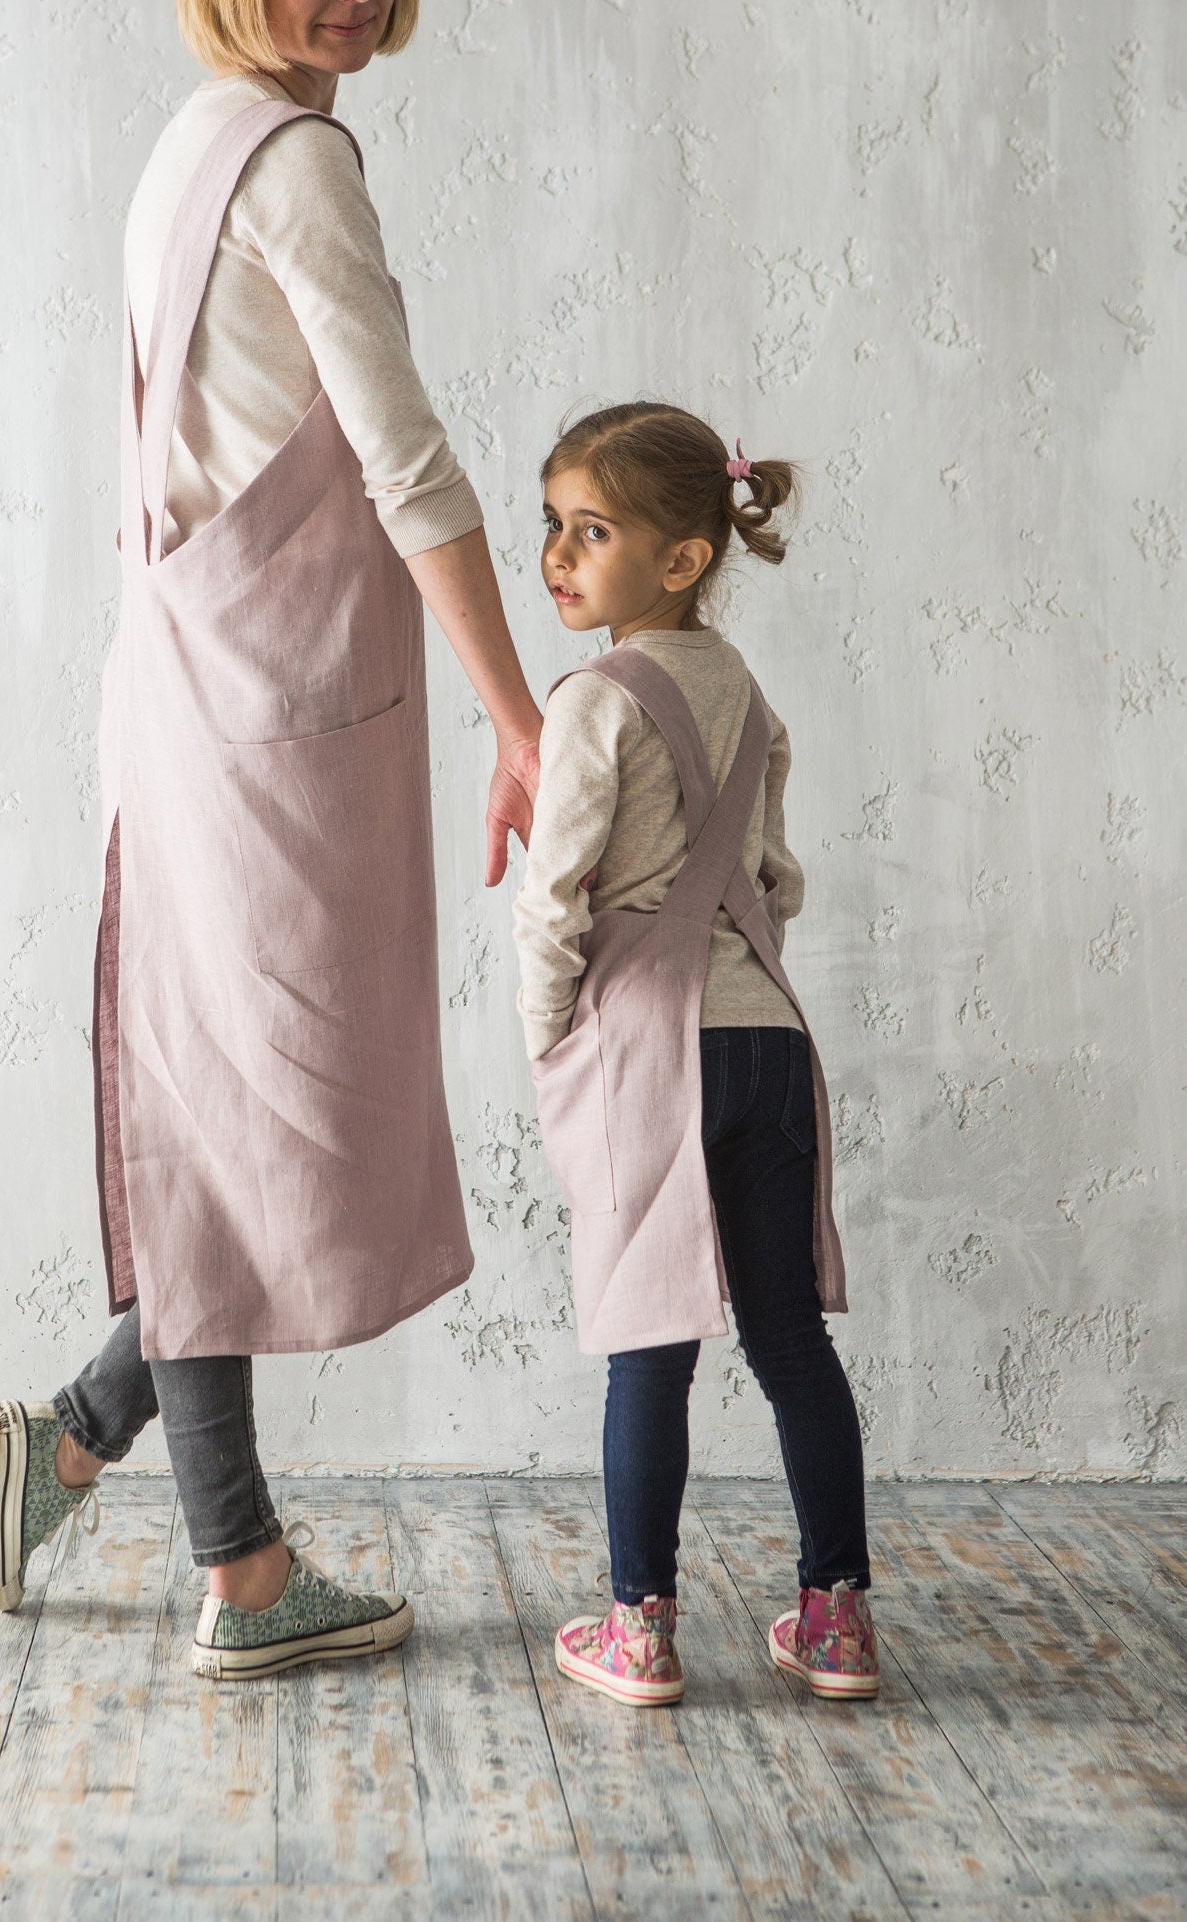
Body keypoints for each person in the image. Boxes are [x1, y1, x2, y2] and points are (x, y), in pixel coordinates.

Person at [0, 0, 542, 1680]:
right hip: (267, 724)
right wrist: (522, 716)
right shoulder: (294, 167)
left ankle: (64, 1451)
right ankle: (237, 1575)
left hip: (191, 703)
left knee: (219, 1126)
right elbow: (407, 463)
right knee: (234, 1139)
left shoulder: (189, 147)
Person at [513, 404, 878, 1707]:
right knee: (789, 1342)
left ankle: (640, 1630)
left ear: (678, 558)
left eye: (590, 530)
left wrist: (548, 1030)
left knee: (649, 1340)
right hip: (771, 1041)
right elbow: (773, 872)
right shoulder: (750, 697)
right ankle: (836, 1618)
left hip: (654, 1056)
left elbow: (553, 892)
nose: (557, 552)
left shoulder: (595, 702)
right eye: (553, 525)